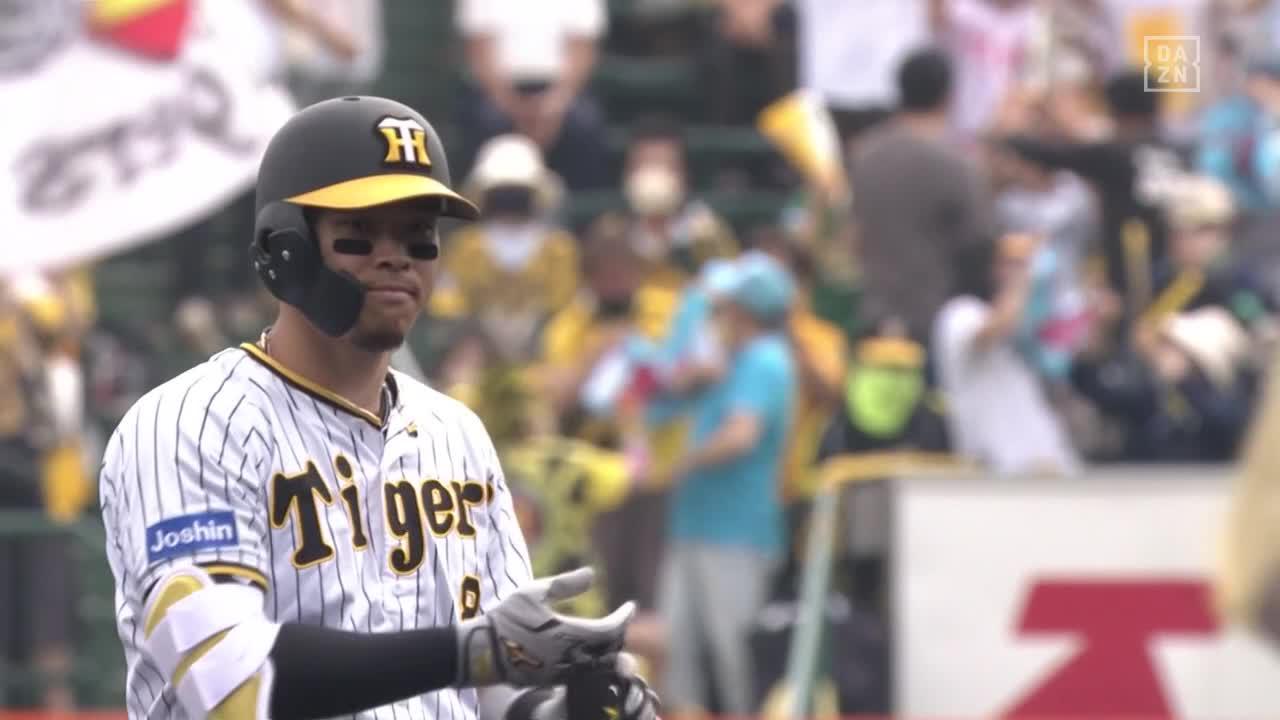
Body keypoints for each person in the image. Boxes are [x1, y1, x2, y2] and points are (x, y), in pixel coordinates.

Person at [97, 96, 660, 720]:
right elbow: (229, 685)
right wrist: (474, 653)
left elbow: (497, 685)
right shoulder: (189, 423)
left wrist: (562, 711)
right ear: (286, 247)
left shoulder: (457, 434)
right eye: (360, 233)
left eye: (419, 236)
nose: (396, 256)